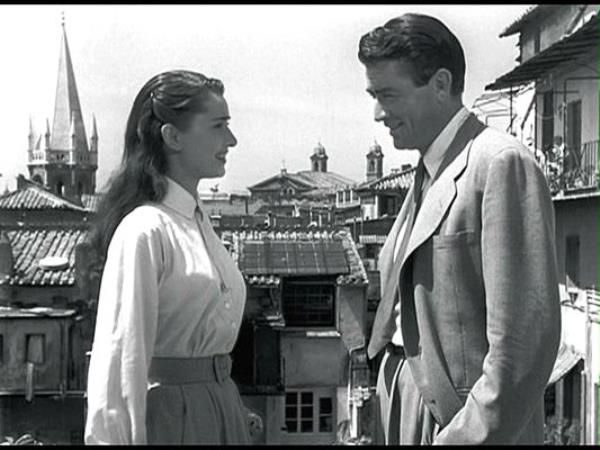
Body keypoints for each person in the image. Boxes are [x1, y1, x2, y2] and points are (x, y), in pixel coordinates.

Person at [359, 14, 561, 444]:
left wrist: (462, 437)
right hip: (407, 410)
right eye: (374, 95)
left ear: (441, 83)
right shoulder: (427, 172)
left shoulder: (499, 163)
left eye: (388, 95)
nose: (377, 113)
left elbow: (522, 346)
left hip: (461, 426)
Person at [84, 70, 250, 444]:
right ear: (173, 136)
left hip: (220, 409)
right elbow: (119, 361)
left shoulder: (199, 223)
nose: (231, 139)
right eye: (218, 126)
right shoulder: (144, 231)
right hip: (173, 419)